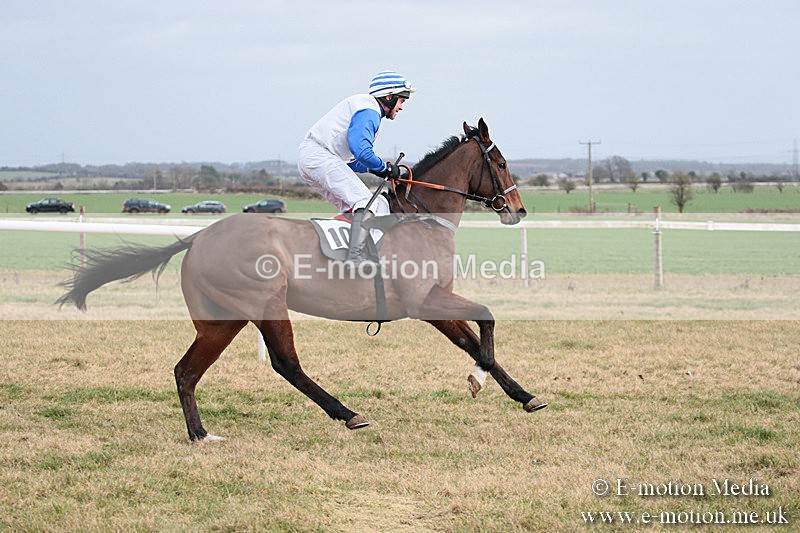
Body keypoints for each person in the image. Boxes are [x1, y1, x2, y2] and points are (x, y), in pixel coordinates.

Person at [298, 70, 415, 265]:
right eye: (401, 101)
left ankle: (343, 252)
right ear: (388, 97)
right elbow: (361, 150)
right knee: (366, 201)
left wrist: (379, 169)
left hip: (316, 158)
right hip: (319, 157)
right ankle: (355, 257)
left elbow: (353, 161)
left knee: (373, 206)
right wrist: (384, 168)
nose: (402, 107)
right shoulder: (369, 110)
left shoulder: (365, 107)